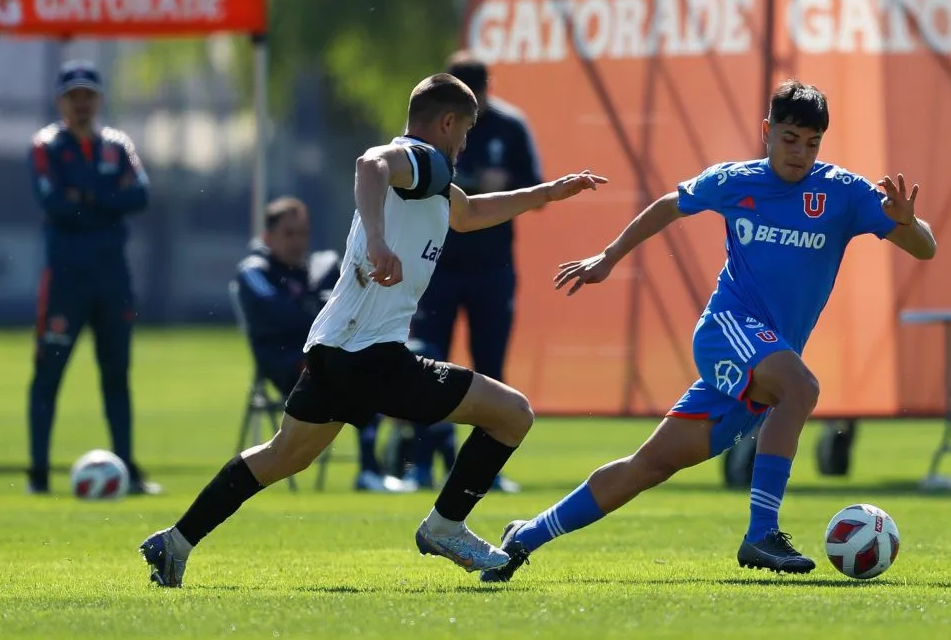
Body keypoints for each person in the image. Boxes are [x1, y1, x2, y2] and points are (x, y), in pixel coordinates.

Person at [138, 72, 607, 587]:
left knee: (282, 455)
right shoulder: (422, 158)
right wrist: (379, 241)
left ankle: (174, 542)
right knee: (512, 415)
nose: (466, 143)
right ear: (447, 123)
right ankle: (446, 526)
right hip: (371, 353)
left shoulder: (429, 179)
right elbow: (369, 162)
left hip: (334, 347)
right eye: (466, 131)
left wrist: (547, 192)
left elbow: (468, 214)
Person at [479, 79, 937, 583]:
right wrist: (609, 257)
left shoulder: (845, 193)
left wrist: (908, 224)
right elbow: (667, 205)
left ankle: (523, 538)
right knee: (802, 387)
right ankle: (761, 532)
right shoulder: (735, 180)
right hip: (727, 330)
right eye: (789, 138)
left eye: (812, 143)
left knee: (647, 467)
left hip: (761, 359)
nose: (800, 153)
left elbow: (925, 249)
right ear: (767, 131)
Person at [404, 52, 541, 494]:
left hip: (492, 267)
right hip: (439, 264)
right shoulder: (433, 130)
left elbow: (532, 186)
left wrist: (501, 184)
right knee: (427, 364)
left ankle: (487, 468)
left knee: (491, 366)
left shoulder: (510, 126)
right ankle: (419, 465)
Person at [26, 60, 160, 496]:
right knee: (49, 375)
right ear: (61, 102)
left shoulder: (117, 145)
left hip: (111, 279)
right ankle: (39, 475)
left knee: (117, 375)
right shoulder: (46, 145)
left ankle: (127, 469)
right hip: (65, 280)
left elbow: (140, 194)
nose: (81, 104)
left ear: (98, 100)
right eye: (73, 96)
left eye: (88, 95)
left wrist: (85, 195)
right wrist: (106, 199)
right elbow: (55, 205)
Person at [235, 196, 409, 493]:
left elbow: (351, 307)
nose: (297, 241)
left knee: (416, 358)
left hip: (329, 355)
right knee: (362, 372)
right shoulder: (253, 270)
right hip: (287, 364)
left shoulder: (321, 266)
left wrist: (313, 308)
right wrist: (318, 308)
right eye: (288, 234)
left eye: (302, 233)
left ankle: (420, 467)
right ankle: (370, 470)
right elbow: (281, 314)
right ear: (268, 237)